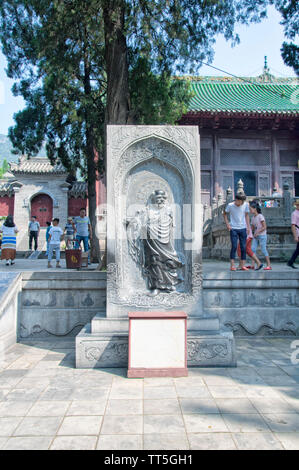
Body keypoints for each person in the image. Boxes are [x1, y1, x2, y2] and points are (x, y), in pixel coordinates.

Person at [127, 189, 183, 296]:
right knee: (154, 262)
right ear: (153, 199)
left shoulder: (168, 210)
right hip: (150, 243)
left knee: (168, 261)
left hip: (165, 242)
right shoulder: (148, 211)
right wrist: (132, 222)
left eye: (163, 198)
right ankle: (156, 287)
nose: (161, 200)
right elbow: (138, 221)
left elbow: (171, 225)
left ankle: (171, 285)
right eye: (158, 199)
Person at [223, 192, 251, 271]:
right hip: (233, 228)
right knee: (234, 246)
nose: (239, 203)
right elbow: (224, 214)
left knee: (243, 247)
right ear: (236, 199)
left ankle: (242, 265)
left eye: (241, 202)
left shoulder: (245, 205)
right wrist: (227, 224)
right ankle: (232, 265)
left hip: (243, 228)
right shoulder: (230, 205)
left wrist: (248, 227)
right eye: (238, 201)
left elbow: (246, 215)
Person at [250, 201, 272, 270]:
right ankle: (253, 265)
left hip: (262, 235)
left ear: (255, 209)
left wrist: (258, 232)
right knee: (252, 249)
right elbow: (252, 227)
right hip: (256, 236)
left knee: (263, 249)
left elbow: (264, 227)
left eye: (251, 209)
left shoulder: (260, 216)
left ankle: (269, 265)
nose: (250, 210)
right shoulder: (253, 218)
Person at [287, 199, 299, 269]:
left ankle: (291, 261)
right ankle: (291, 261)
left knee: (298, 249)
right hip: (298, 231)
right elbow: (293, 225)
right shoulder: (294, 214)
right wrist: (295, 236)